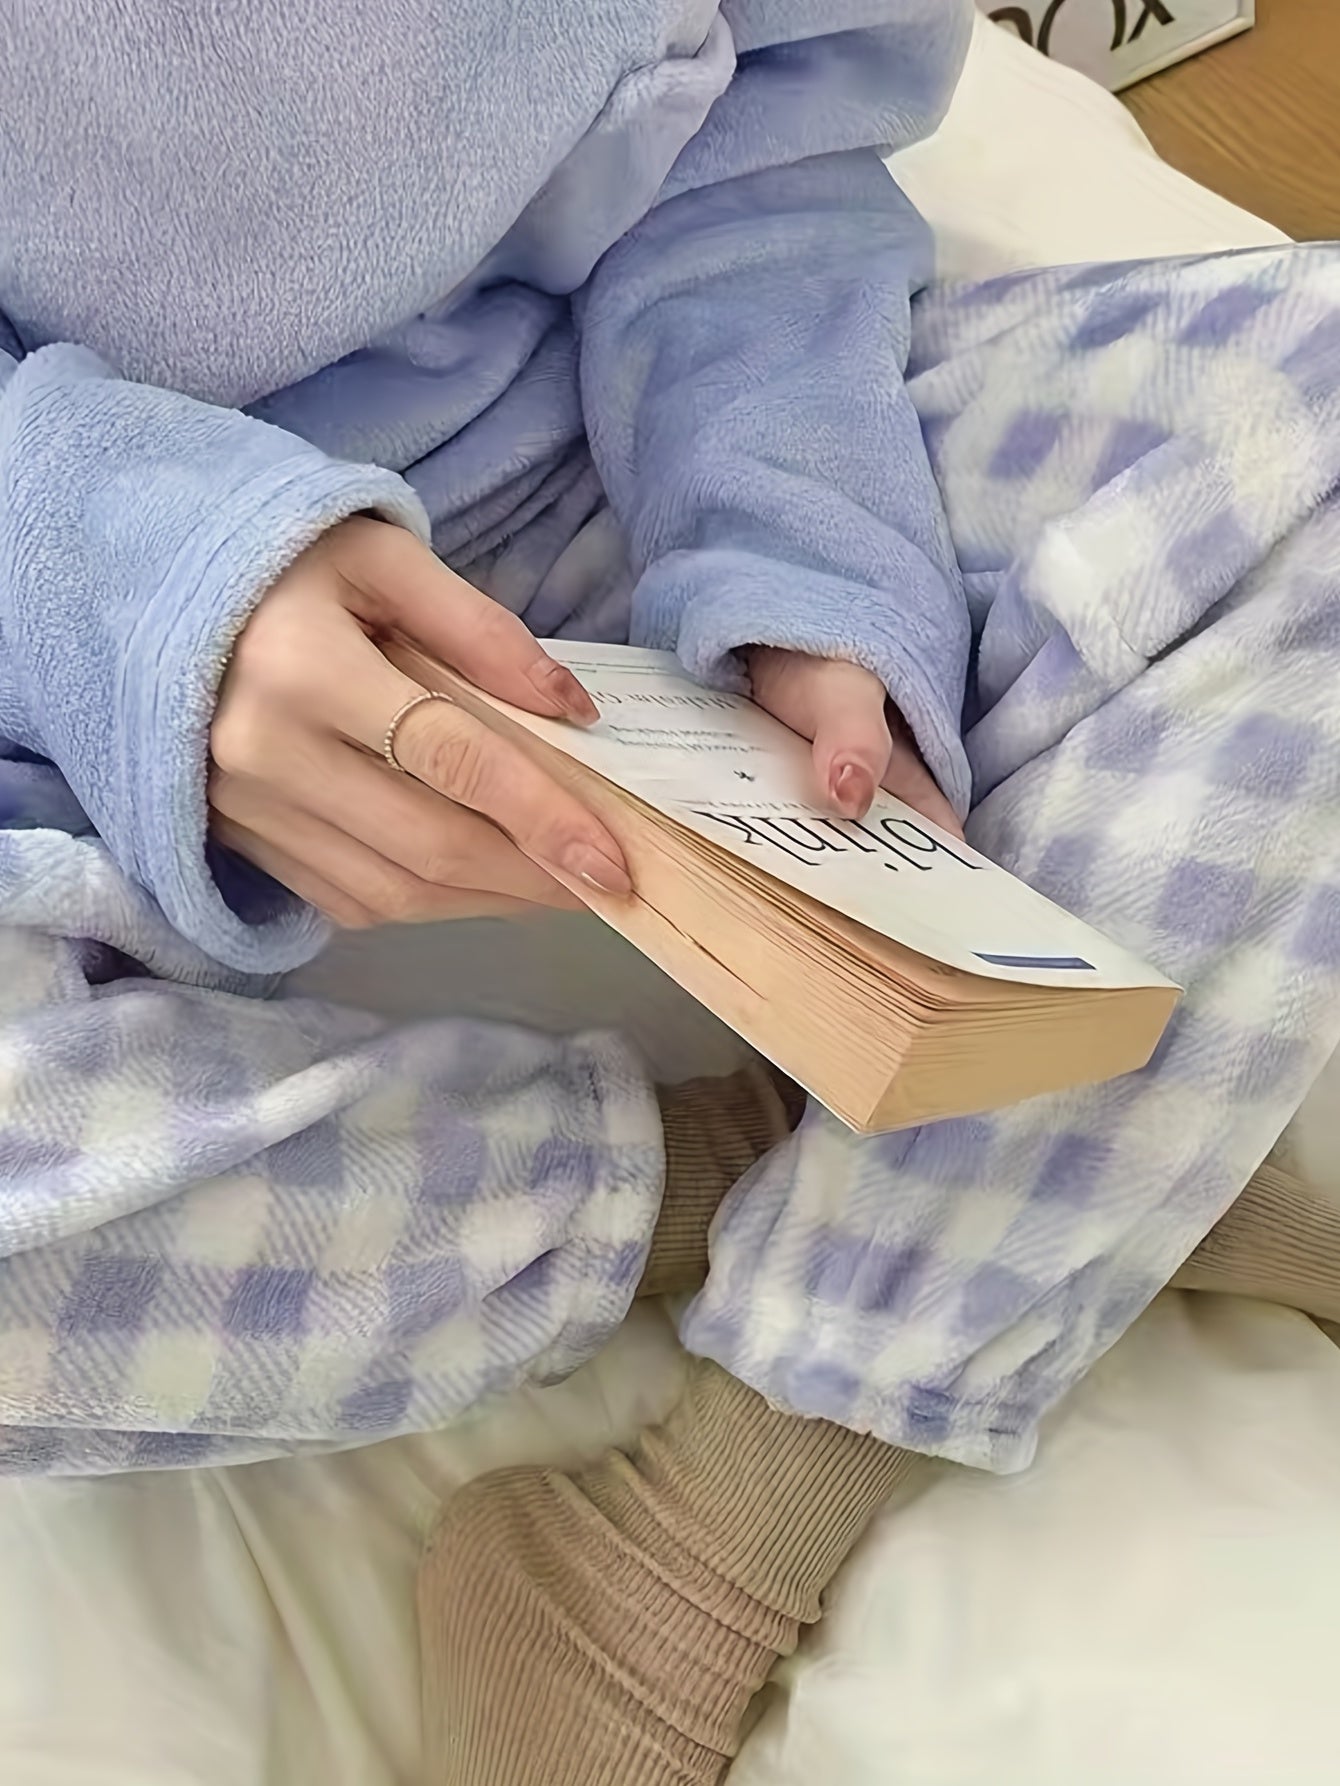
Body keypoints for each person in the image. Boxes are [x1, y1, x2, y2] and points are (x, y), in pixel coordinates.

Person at [2, 3, 1340, 1783]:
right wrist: (137, 586)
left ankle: (701, 1546)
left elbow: (767, 127)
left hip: (574, 468)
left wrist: (806, 553)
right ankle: (862, 1167)